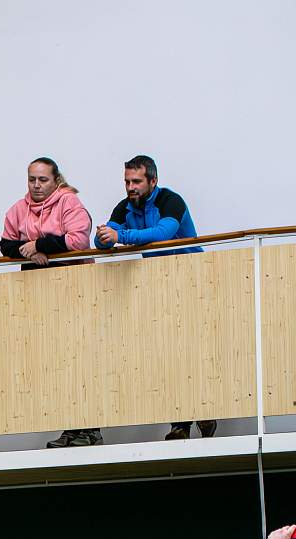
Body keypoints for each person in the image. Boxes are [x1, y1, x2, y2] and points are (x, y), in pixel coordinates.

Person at [82, 153, 214, 445]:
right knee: (167, 353)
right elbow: (101, 240)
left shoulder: (171, 200)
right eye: (127, 181)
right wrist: (105, 236)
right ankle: (181, 422)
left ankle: (205, 410)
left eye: (137, 181)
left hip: (192, 280)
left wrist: (121, 235)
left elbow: (164, 233)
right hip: (159, 284)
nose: (131, 187)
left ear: (153, 181)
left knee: (193, 350)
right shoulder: (125, 206)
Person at [0, 156, 91, 268]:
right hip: (30, 273)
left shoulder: (68, 201)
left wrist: (37, 245)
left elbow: (79, 240)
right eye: (32, 180)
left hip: (70, 271)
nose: (36, 185)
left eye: (43, 180)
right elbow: (6, 245)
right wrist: (30, 253)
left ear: (56, 181)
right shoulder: (18, 208)